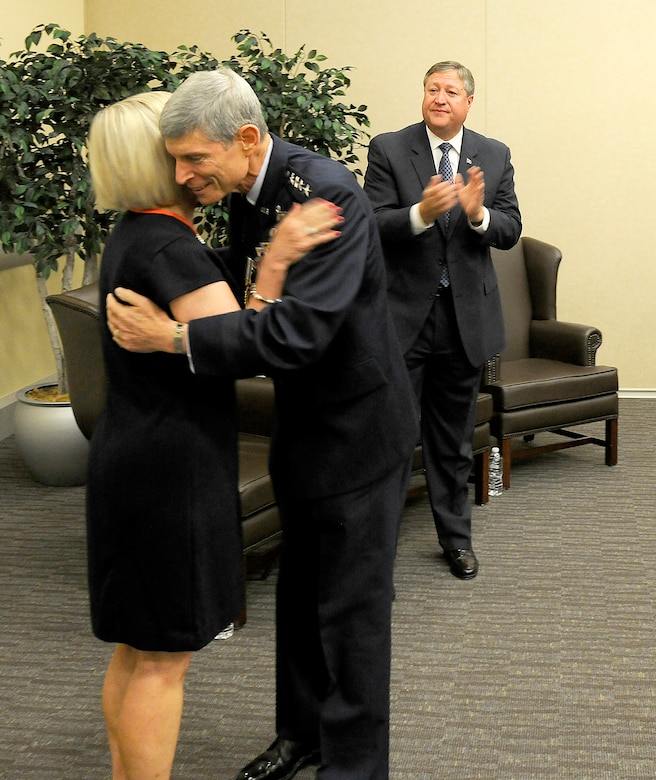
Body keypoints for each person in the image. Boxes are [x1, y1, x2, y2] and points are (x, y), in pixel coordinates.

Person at [105, 69, 418, 780]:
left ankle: (353, 766)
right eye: (175, 160)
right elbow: (249, 282)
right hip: (303, 429)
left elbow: (295, 335)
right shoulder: (254, 189)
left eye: (193, 160)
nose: (182, 177)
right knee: (301, 596)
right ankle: (300, 734)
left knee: (352, 612)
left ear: (246, 139)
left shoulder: (325, 195)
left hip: (357, 435)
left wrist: (174, 339)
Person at [86, 91, 340, 780]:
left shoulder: (139, 234)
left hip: (132, 457)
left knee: (137, 649)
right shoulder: (169, 246)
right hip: (172, 472)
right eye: (184, 152)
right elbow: (245, 346)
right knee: (163, 660)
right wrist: (278, 263)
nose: (195, 164)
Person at [363, 60, 522, 580]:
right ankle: (375, 559)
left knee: (453, 442)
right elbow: (373, 222)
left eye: (451, 91)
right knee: (390, 441)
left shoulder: (494, 155)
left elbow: (510, 228)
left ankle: (456, 541)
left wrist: (477, 216)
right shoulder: (389, 148)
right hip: (404, 319)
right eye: (432, 89)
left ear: (468, 102)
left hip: (463, 321)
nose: (440, 97)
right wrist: (420, 214)